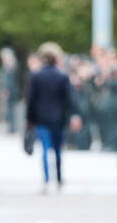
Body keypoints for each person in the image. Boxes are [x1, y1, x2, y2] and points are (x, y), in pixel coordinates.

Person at [25, 42, 79, 192]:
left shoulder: (36, 77)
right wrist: (73, 115)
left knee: (44, 149)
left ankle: (46, 179)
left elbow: (31, 100)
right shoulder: (63, 77)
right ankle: (59, 178)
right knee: (58, 150)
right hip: (58, 118)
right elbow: (69, 99)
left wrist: (29, 119)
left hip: (41, 118)